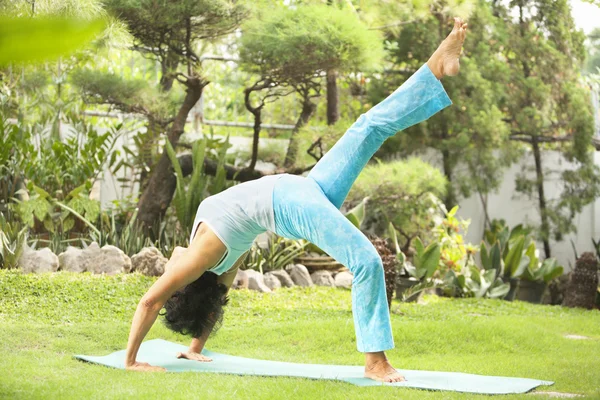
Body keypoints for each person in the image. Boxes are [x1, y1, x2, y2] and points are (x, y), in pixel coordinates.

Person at [124, 17, 468, 383]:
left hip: (301, 189)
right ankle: (375, 362)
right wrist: (132, 360)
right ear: (187, 286)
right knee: (367, 260)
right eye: (174, 277)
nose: (169, 265)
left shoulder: (208, 256)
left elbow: (210, 302)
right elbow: (151, 301)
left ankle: (435, 67)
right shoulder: (203, 257)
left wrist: (195, 348)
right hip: (289, 204)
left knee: (368, 127)